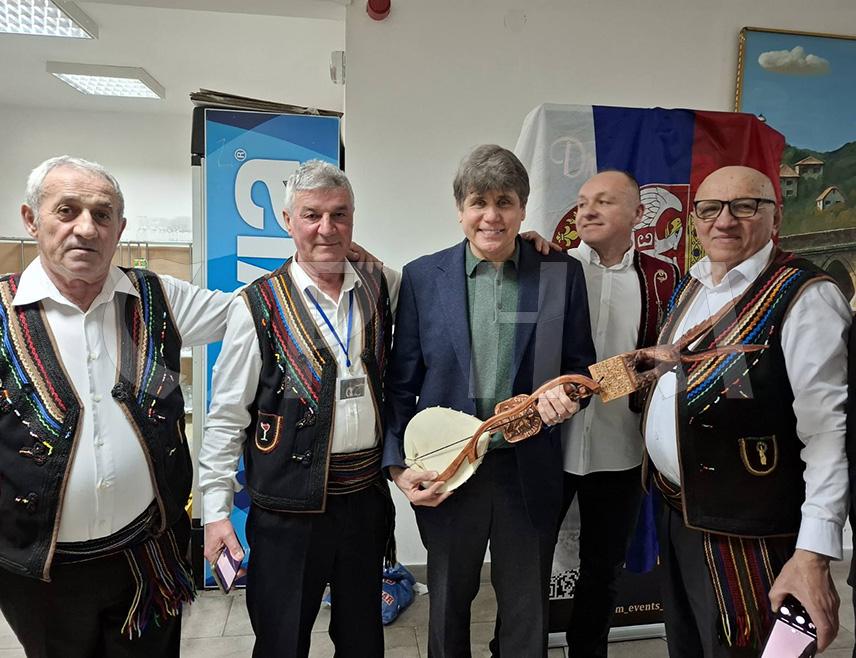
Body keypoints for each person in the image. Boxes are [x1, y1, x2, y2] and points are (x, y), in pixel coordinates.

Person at [0, 155, 232, 657]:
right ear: (30, 220)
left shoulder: (157, 298)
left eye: (102, 215)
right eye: (67, 210)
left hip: (147, 558)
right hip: (40, 573)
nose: (86, 228)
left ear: (120, 228)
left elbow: (255, 311)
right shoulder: (2, 314)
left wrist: (323, 260)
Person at [383, 144, 596, 657]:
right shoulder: (422, 279)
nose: (491, 215)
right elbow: (400, 385)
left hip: (529, 472)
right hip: (449, 473)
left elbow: (580, 371)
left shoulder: (559, 275)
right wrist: (396, 466)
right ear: (460, 209)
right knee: (448, 607)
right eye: (479, 201)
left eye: (505, 201)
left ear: (523, 208)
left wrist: (569, 397)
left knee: (527, 613)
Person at [643, 165, 851, 656]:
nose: (725, 220)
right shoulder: (693, 285)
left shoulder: (807, 296)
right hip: (681, 512)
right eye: (711, 208)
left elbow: (829, 436)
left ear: (773, 217)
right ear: (695, 219)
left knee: (748, 649)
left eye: (745, 206)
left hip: (749, 531)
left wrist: (814, 555)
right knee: (691, 645)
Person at [198, 160, 401, 658]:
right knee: (282, 641)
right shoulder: (255, 305)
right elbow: (227, 416)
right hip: (288, 513)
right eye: (311, 215)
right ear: (287, 220)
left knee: (362, 640)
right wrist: (215, 513)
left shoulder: (382, 286)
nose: (326, 229)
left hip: (364, 501)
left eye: (339, 215)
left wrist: (522, 245)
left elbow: (444, 282)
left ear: (353, 219)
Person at [561, 170, 678, 657]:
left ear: (636, 214)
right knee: (522, 563)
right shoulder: (551, 267)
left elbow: (666, 359)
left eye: (603, 202)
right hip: (551, 447)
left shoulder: (663, 277)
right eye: (583, 201)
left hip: (623, 448)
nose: (586, 210)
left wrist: (651, 370)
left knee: (602, 569)